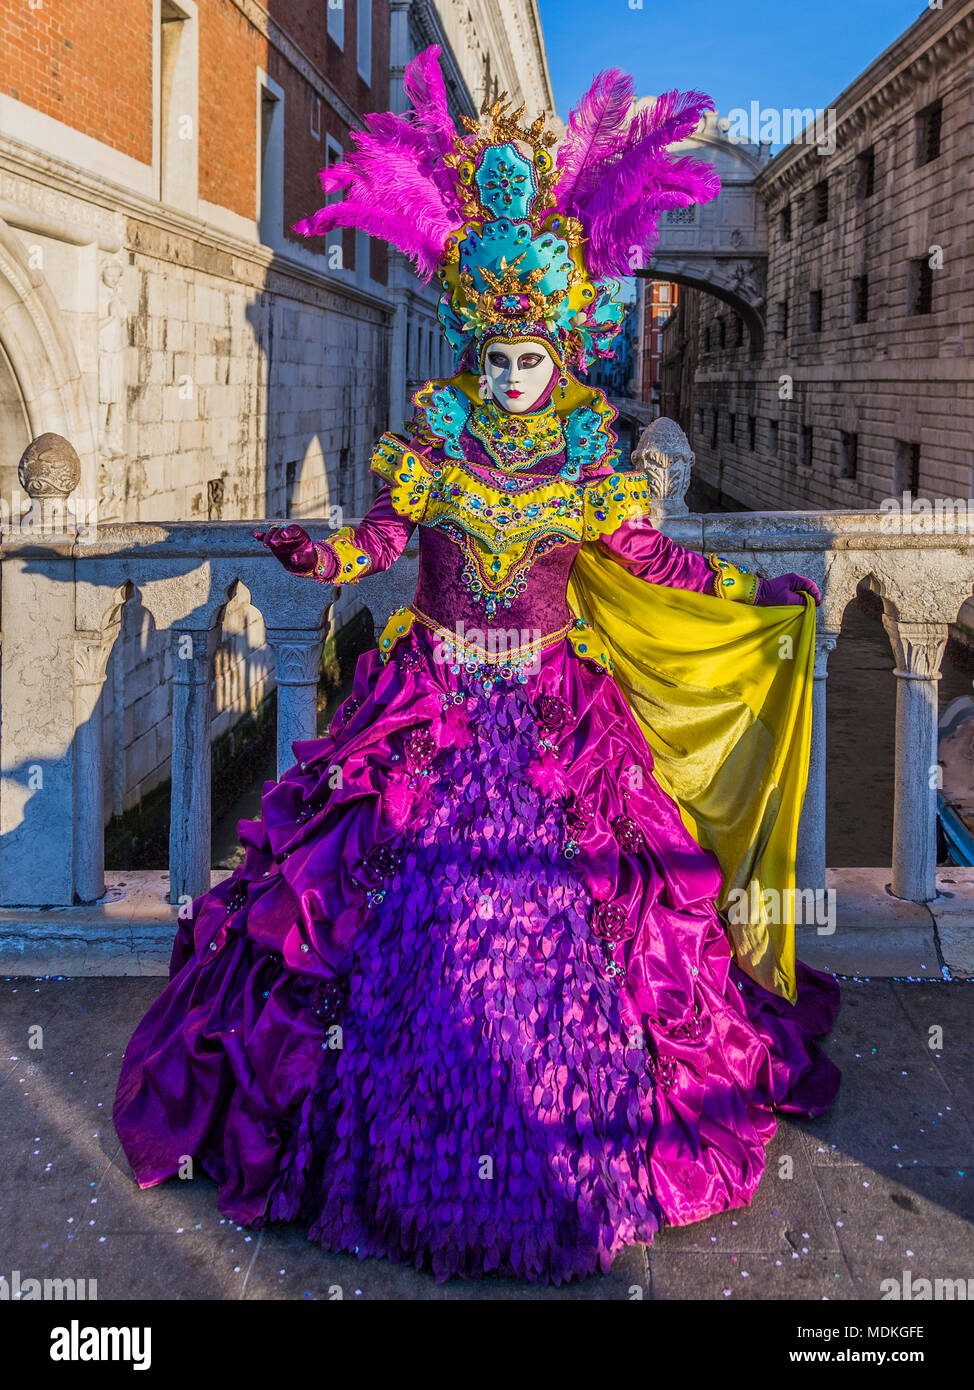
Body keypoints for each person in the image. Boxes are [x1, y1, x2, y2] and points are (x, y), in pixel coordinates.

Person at [114, 51, 839, 1285]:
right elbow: (385, 541)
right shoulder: (429, 449)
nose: (509, 375)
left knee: (587, 931)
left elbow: (650, 560)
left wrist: (747, 595)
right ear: (472, 344)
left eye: (528, 355)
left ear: (558, 345)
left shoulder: (585, 464)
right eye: (492, 355)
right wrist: (326, 547)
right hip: (433, 703)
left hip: (554, 714)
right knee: (374, 916)